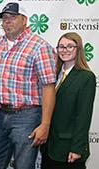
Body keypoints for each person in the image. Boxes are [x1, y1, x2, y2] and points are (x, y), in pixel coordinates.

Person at [0, 2, 56, 169]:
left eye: (12, 17)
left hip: (27, 116)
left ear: (25, 20)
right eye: (5, 18)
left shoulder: (39, 46)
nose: (7, 21)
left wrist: (45, 124)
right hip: (0, 113)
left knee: (23, 166)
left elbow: (48, 87)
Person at [41, 32, 96, 169]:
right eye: (61, 47)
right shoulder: (53, 75)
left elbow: (83, 116)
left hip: (69, 148)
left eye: (70, 46)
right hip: (49, 146)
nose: (65, 50)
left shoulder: (86, 77)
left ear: (78, 49)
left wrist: (77, 148)